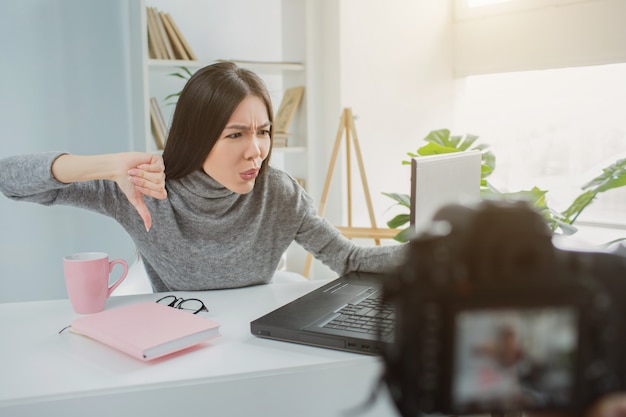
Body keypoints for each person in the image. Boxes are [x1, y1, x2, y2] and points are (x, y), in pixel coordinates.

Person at [0, 61, 406, 292]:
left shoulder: (278, 193)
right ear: (197, 137)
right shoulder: (144, 187)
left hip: (256, 345)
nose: (256, 151)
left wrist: (444, 251)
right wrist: (107, 166)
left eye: (262, 131)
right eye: (236, 135)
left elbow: (349, 259)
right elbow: (10, 180)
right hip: (177, 346)